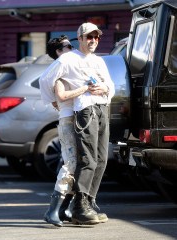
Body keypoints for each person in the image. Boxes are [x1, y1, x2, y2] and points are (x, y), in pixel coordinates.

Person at [39, 22, 115, 225]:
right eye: (88, 37)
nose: (93, 41)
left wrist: (105, 88)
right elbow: (45, 80)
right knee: (81, 160)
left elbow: (111, 85)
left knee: (101, 159)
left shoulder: (98, 61)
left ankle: (87, 202)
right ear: (80, 38)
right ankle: (75, 206)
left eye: (96, 37)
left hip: (101, 108)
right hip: (82, 111)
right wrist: (54, 101)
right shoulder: (67, 59)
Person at [42, 35, 91, 227]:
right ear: (58, 52)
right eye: (67, 46)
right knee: (70, 163)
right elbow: (59, 94)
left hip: (76, 118)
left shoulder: (69, 70)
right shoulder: (59, 73)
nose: (71, 48)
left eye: (72, 45)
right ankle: (52, 210)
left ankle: (64, 208)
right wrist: (84, 88)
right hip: (68, 120)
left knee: (77, 164)